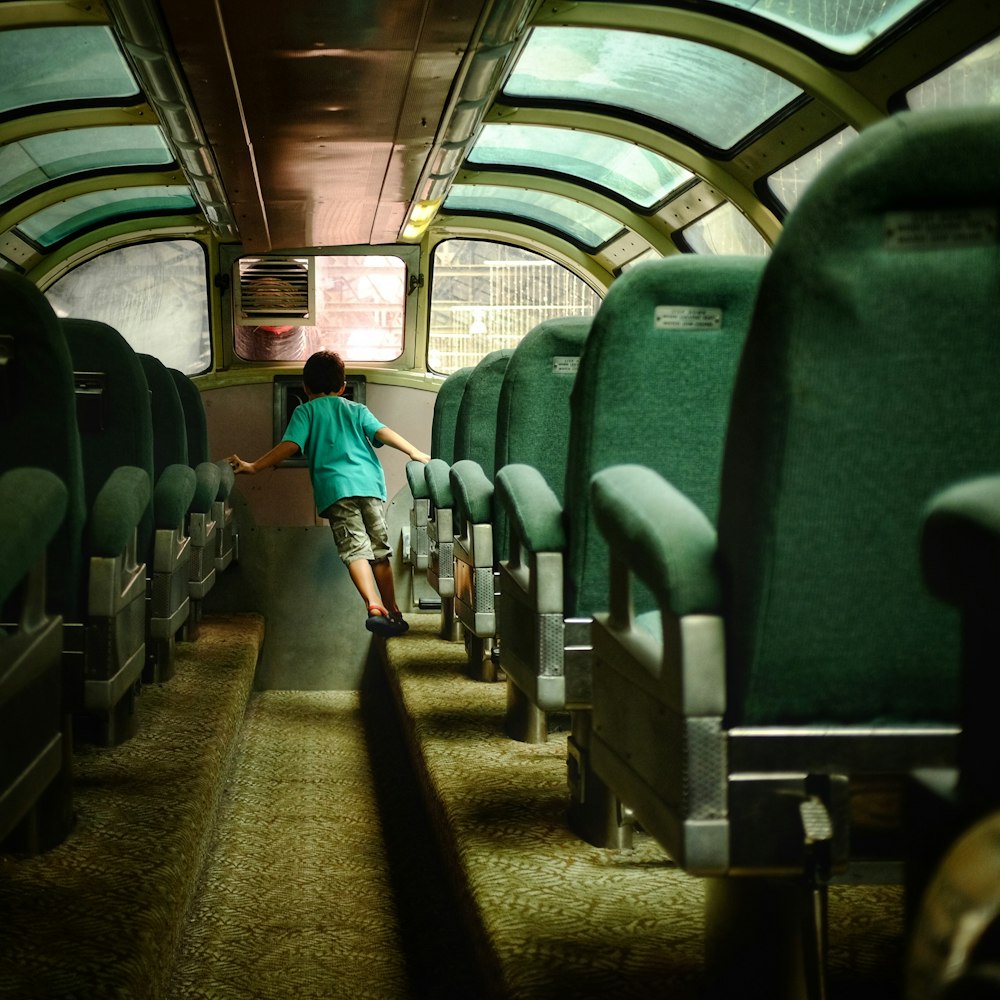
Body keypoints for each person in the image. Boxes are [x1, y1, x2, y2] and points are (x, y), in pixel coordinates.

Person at [228, 350, 430, 637]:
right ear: (343, 387)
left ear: (306, 388)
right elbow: (382, 432)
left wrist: (254, 466)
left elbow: (290, 445)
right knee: (379, 550)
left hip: (337, 490)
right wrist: (413, 451)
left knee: (354, 550)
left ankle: (373, 606)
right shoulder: (356, 409)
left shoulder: (305, 411)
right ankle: (394, 611)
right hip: (370, 487)